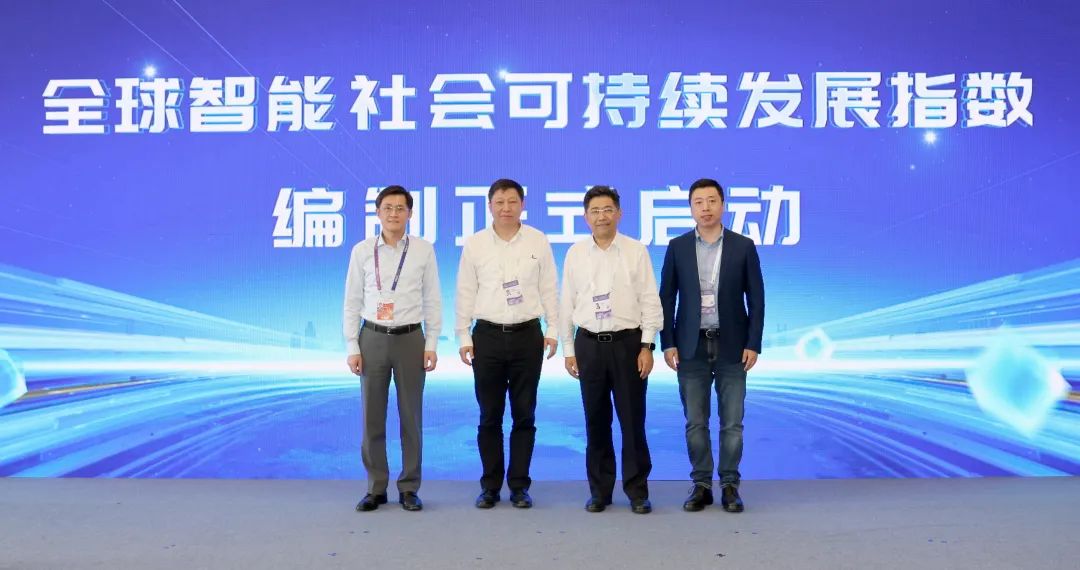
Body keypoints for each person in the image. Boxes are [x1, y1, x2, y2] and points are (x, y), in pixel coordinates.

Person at [659, 178, 764, 513]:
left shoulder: (743, 246)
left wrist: (753, 342)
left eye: (712, 201)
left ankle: (730, 485)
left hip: (733, 345)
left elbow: (756, 298)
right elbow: (666, 298)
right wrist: (668, 342)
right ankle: (701, 485)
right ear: (691, 208)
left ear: (723, 205)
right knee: (695, 421)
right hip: (690, 347)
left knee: (732, 423)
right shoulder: (677, 247)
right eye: (698, 202)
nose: (705, 208)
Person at [456, 178, 559, 509]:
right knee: (489, 415)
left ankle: (519, 486)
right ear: (489, 206)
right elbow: (465, 292)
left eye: (512, 201)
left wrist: (553, 328)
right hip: (486, 336)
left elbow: (549, 288)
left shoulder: (538, 240)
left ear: (522, 205)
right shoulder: (475, 244)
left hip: (528, 335)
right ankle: (490, 486)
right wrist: (463, 335)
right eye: (499, 202)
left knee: (524, 414)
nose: (506, 208)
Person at [560, 186, 662, 514]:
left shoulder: (635, 251)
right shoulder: (575, 253)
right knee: (596, 421)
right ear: (585, 217)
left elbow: (650, 299)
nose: (601, 216)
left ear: (619, 213)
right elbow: (567, 303)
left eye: (607, 210)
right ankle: (600, 491)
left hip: (628, 345)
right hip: (588, 344)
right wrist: (568, 349)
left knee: (632, 421)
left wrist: (647, 345)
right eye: (595, 211)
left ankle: (637, 491)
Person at [343, 185, 441, 512]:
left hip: (411, 338)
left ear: (410, 213)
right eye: (388, 208)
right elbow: (352, 301)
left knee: (411, 416)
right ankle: (376, 487)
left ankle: (409, 487)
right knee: (371, 416)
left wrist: (431, 343)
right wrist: (352, 345)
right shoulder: (361, 251)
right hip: (372, 337)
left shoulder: (423, 250)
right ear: (377, 212)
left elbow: (433, 299)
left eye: (400, 208)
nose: (394, 213)